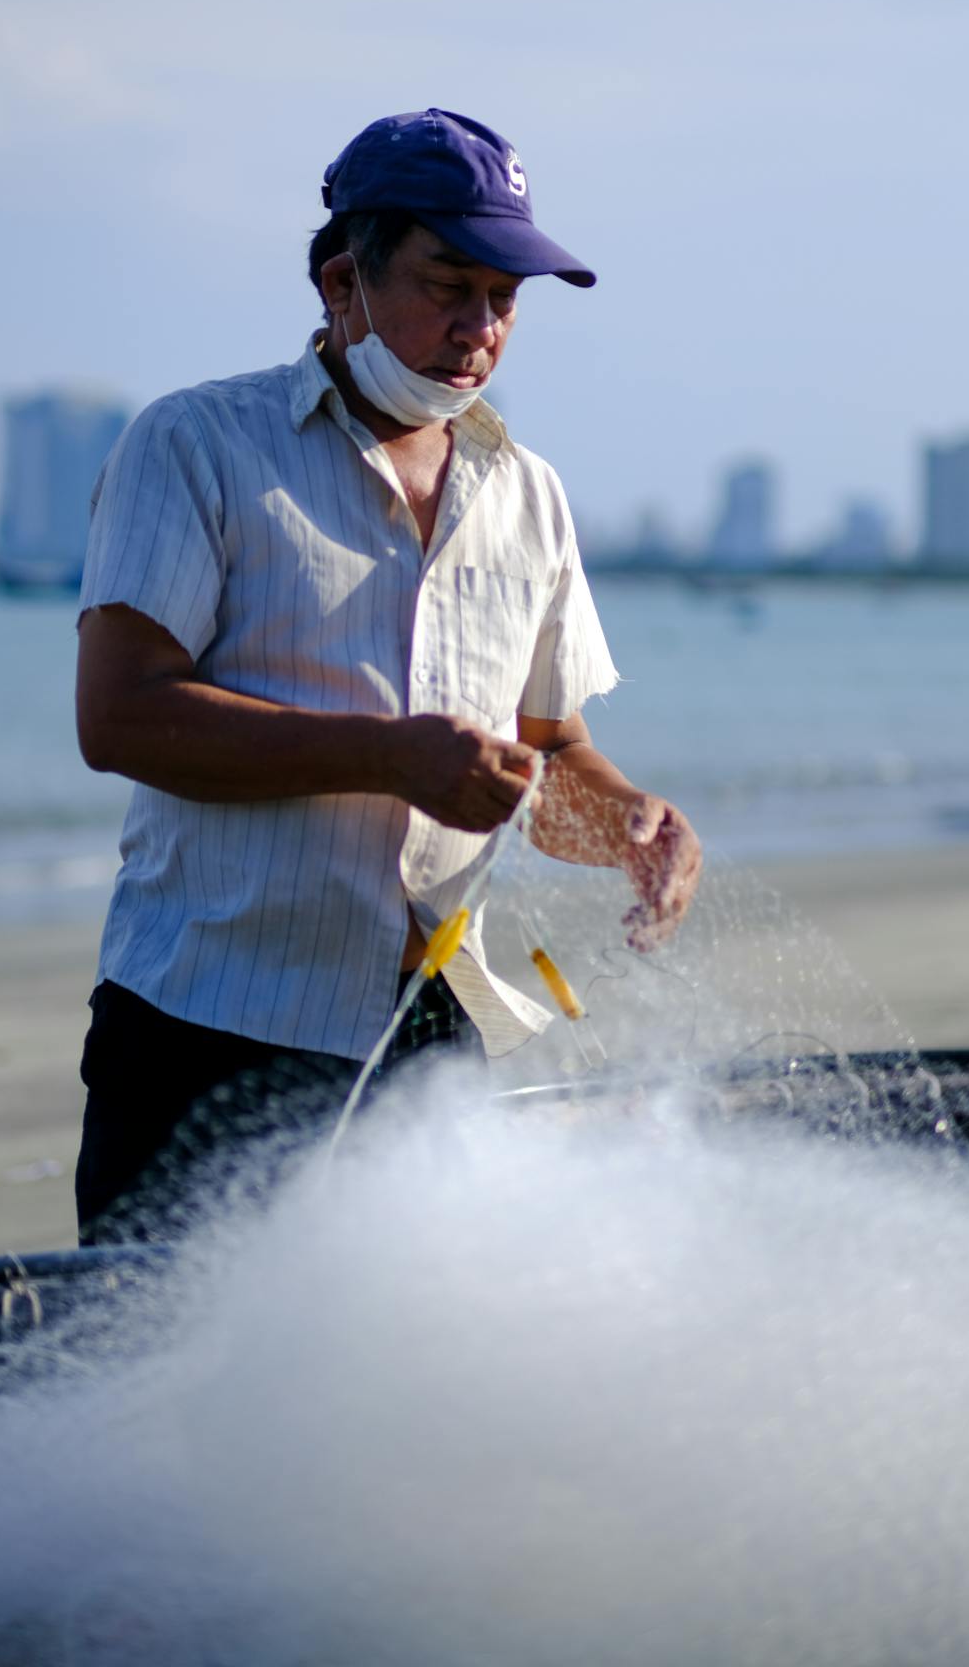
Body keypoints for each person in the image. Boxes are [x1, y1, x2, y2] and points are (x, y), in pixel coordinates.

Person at [73, 107, 701, 1238]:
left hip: (431, 1035)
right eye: (446, 284)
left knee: (393, 1396)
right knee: (166, 1399)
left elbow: (547, 760)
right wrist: (388, 756)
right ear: (339, 283)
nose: (478, 328)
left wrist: (631, 824)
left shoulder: (528, 493)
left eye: (504, 299)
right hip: (207, 1031)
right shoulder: (194, 444)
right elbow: (119, 718)